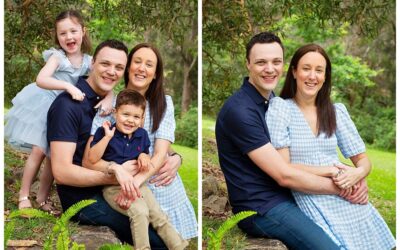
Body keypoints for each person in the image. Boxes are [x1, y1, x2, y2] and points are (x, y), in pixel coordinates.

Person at [215, 32, 370, 249]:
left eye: (276, 62)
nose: (270, 69)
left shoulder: (273, 103)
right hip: (262, 207)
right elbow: (284, 174)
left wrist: (353, 175)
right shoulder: (241, 111)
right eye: (261, 62)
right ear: (248, 64)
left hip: (290, 197)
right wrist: (343, 188)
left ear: (284, 65)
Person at [265, 43, 395, 249]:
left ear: (325, 76)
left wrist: (358, 175)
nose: (312, 76)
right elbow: (284, 167)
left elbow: (363, 160)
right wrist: (332, 171)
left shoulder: (335, 112)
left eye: (319, 70)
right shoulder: (281, 109)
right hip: (312, 196)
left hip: (349, 198)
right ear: (294, 72)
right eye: (306, 68)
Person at [47, 39, 169, 248]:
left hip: (111, 189)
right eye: (105, 64)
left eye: (119, 67)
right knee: (156, 240)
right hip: (84, 200)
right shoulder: (67, 106)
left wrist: (172, 156)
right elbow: (61, 171)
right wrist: (116, 175)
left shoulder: (111, 104)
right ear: (92, 62)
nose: (112, 71)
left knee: (160, 225)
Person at [84, 43, 198, 241]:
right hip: (121, 185)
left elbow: (161, 153)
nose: (142, 68)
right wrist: (123, 178)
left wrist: (135, 183)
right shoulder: (111, 105)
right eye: (137, 61)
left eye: (149, 64)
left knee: (173, 238)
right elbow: (89, 160)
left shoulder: (163, 104)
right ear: (128, 67)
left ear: (155, 74)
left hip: (159, 183)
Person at [5, 10, 113, 215]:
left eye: (73, 31)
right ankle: (24, 195)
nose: (69, 37)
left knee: (54, 157)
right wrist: (68, 87)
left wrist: (109, 98)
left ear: (83, 31)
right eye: (63, 33)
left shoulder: (89, 60)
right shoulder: (58, 57)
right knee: (39, 151)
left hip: (65, 112)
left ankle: (42, 198)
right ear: (57, 36)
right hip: (46, 104)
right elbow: (41, 79)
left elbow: (106, 83)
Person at [85, 89, 188, 250]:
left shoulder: (142, 135)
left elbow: (145, 152)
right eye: (126, 114)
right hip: (114, 187)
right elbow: (92, 158)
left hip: (140, 186)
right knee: (140, 212)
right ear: (115, 113)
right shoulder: (105, 132)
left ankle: (179, 246)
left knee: (158, 216)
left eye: (136, 117)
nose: (130, 121)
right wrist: (107, 138)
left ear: (141, 119)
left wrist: (144, 157)